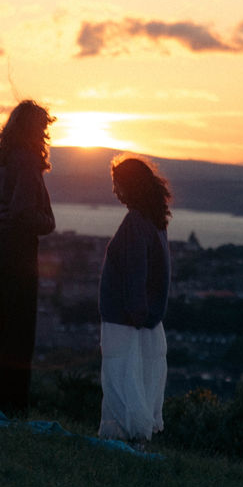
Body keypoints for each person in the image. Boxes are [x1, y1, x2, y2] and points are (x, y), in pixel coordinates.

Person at [0, 100, 56, 416]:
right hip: (18, 254)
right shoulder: (28, 162)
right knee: (20, 332)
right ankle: (10, 406)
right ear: (34, 130)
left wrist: (1, 215)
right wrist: (46, 222)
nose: (45, 134)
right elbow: (28, 214)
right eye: (43, 128)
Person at [98, 155, 171, 445]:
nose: (115, 192)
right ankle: (130, 433)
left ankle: (127, 434)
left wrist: (136, 312)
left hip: (125, 317)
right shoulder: (156, 221)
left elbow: (136, 271)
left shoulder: (135, 223)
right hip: (146, 318)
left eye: (118, 185)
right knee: (139, 375)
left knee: (120, 376)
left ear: (131, 186)